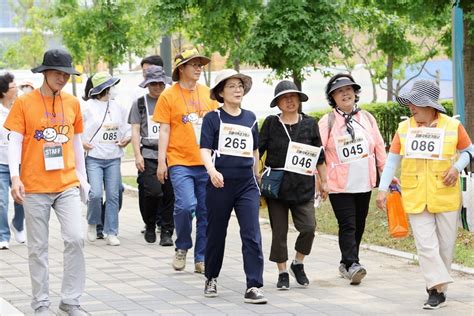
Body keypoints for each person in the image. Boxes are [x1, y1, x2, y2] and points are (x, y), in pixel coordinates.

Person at [376, 80, 474, 310]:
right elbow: (392, 161)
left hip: (445, 195)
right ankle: (435, 289)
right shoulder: (404, 128)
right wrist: (382, 190)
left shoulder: (452, 126)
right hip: (415, 194)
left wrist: (456, 167)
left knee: (445, 246)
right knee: (425, 244)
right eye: (410, 103)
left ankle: (439, 289)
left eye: (415, 103)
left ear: (430, 105)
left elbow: (469, 151)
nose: (411, 107)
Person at [4, 48, 88, 315]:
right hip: (34, 185)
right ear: (44, 73)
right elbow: (14, 142)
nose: (62, 78)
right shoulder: (24, 102)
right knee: (37, 248)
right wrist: (15, 176)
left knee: (76, 237)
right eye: (57, 73)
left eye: (66, 74)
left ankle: (70, 300)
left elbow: (76, 144)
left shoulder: (73, 103)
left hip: (66, 183)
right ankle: (41, 303)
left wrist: (83, 180)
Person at [200, 69, 267, 303]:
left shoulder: (251, 118)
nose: (238, 89)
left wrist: (256, 176)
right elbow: (205, 150)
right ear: (221, 92)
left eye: (240, 85)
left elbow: (255, 150)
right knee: (216, 233)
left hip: (246, 184)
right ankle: (211, 277)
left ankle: (254, 285)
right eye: (231, 86)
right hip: (220, 183)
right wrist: (212, 171)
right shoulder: (213, 119)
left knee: (251, 233)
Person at [153, 48, 218, 274]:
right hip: (179, 161)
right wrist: (162, 162)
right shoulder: (168, 95)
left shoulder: (209, 94)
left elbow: (217, 127)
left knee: (205, 212)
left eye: (201, 65)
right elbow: (163, 129)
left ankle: (201, 257)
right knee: (185, 206)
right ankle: (182, 246)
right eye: (194, 65)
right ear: (182, 68)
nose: (199, 69)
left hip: (205, 163)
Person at [259, 80, 328, 290]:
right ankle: (282, 272)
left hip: (303, 185)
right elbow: (257, 151)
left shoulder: (309, 123)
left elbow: (319, 155)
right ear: (278, 103)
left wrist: (324, 181)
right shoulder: (271, 123)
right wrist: (255, 174)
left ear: (299, 99)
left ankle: (298, 263)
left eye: (293, 97)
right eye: (284, 98)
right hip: (277, 187)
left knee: (309, 227)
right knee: (279, 232)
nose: (289, 101)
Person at [318, 73, 386, 285]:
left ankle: (346, 263)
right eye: (340, 91)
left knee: (359, 224)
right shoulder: (327, 121)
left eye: (349, 89)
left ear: (355, 93)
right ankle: (353, 263)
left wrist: (386, 176)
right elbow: (318, 153)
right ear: (333, 97)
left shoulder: (367, 118)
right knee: (347, 224)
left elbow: (379, 147)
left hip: (364, 181)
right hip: (339, 184)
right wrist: (320, 182)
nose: (345, 93)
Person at [82, 72, 131, 246]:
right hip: (94, 157)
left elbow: (127, 127)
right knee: (94, 194)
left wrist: (126, 139)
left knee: (113, 194)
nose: (113, 89)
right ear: (103, 88)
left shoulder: (119, 107)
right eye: (110, 86)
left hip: (113, 157)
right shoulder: (87, 107)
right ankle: (93, 222)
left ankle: (111, 231)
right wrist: (83, 143)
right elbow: (78, 130)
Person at [129, 65, 174, 245]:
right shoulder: (140, 104)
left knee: (170, 194)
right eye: (153, 84)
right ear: (147, 84)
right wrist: (137, 155)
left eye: (160, 83)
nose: (157, 87)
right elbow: (135, 130)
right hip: (148, 153)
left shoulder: (171, 100)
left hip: (171, 155)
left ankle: (167, 231)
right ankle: (149, 223)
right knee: (153, 192)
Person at [0, 72, 25, 250]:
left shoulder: (21, 107)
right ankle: (3, 234)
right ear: (3, 92)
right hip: (1, 163)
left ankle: (18, 224)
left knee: (22, 198)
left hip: (19, 162)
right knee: (2, 201)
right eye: (13, 86)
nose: (16, 89)